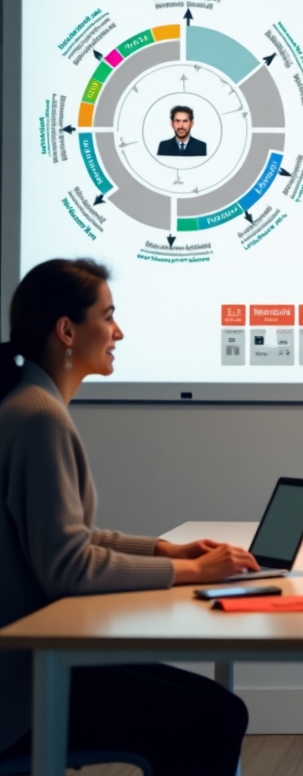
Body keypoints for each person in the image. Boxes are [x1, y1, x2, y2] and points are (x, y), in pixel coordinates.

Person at [0, 258, 258, 775]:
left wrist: (165, 550)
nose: (119, 332)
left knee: (222, 709)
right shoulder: (39, 417)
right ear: (67, 330)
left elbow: (65, 536)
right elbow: (67, 566)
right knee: (213, 717)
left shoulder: (29, 404)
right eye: (108, 316)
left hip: (30, 665)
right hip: (20, 693)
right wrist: (194, 572)